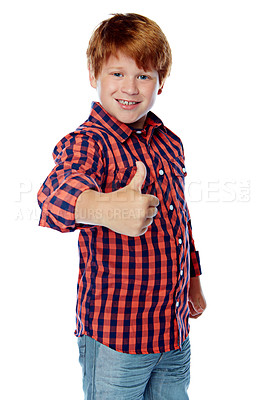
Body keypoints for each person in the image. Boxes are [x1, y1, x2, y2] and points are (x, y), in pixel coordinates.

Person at [37, 13, 207, 400]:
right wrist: (104, 208)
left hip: (173, 329)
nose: (130, 87)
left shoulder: (169, 142)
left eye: (143, 76)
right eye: (117, 74)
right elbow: (55, 193)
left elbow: (180, 221)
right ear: (94, 74)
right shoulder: (88, 142)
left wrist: (194, 281)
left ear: (160, 83)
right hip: (118, 337)